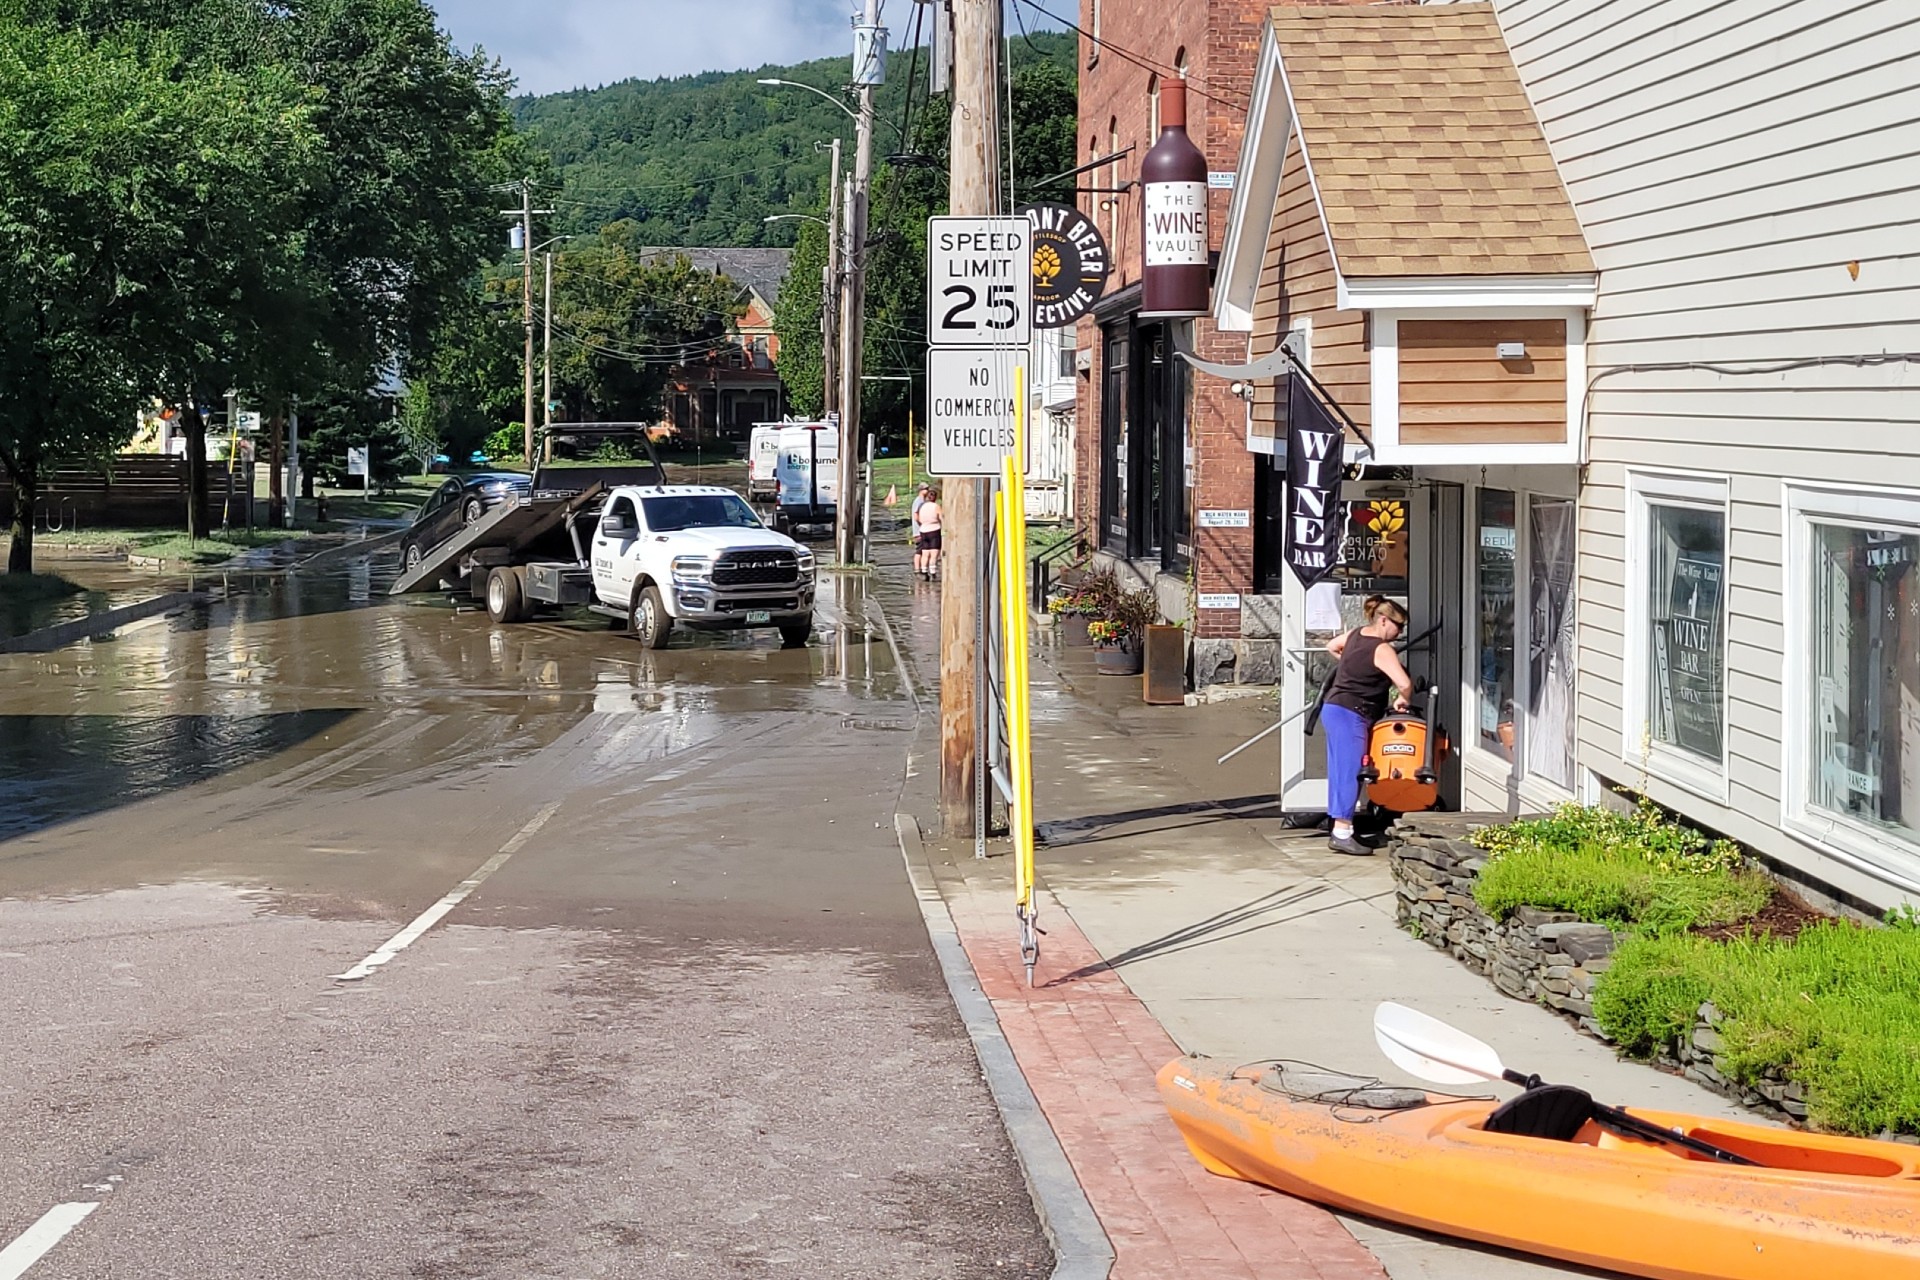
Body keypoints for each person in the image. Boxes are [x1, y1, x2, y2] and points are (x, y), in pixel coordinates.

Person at [1321, 595, 1416, 856]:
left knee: (1341, 769)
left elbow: (1332, 645)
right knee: (1351, 771)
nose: (1400, 633)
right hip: (1352, 713)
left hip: (1334, 708)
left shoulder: (1354, 634)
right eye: (1399, 626)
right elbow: (1405, 683)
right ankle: (1342, 832)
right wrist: (1403, 699)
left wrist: (1350, 667)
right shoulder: (1382, 649)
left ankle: (1339, 828)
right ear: (1384, 620)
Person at [914, 486, 943, 579]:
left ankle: (924, 571)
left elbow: (916, 518)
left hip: (923, 530)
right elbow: (941, 517)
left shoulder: (921, 506)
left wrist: (922, 523)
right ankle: (933, 572)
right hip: (934, 530)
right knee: (934, 553)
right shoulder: (936, 506)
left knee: (925, 553)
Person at [910, 483, 932, 573]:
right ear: (921, 490)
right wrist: (923, 524)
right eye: (926, 489)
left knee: (923, 550)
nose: (927, 491)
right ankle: (917, 568)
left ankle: (921, 568)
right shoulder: (918, 501)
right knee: (920, 550)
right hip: (919, 531)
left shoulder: (922, 501)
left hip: (922, 530)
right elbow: (916, 516)